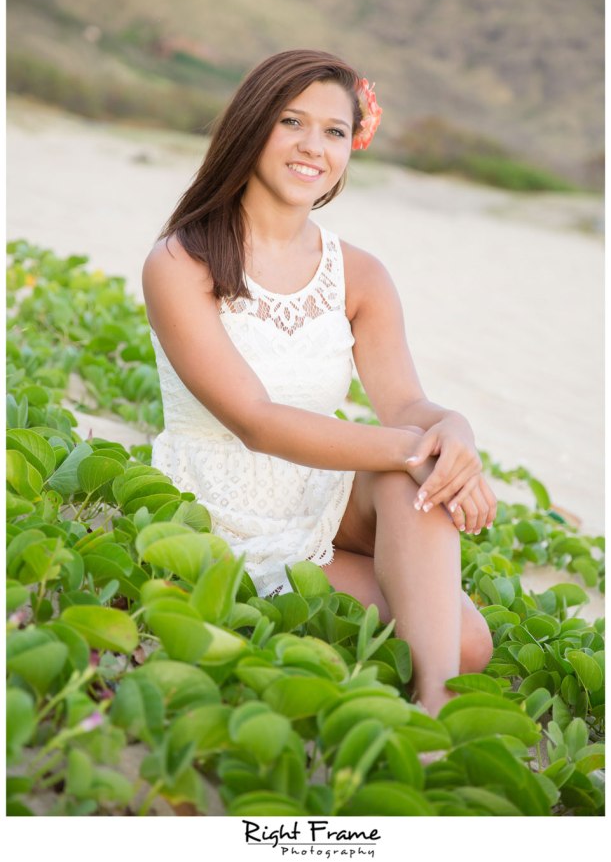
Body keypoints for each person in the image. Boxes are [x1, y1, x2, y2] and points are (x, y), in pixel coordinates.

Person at [142, 49, 495, 716]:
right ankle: (422, 689)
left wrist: (454, 431)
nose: (313, 146)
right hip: (222, 504)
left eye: (334, 131)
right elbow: (253, 419)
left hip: (322, 494)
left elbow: (405, 403)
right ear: (252, 127)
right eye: (292, 122)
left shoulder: (359, 273)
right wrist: (414, 449)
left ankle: (434, 707)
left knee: (415, 490)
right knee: (464, 637)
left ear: (349, 148)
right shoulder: (181, 261)